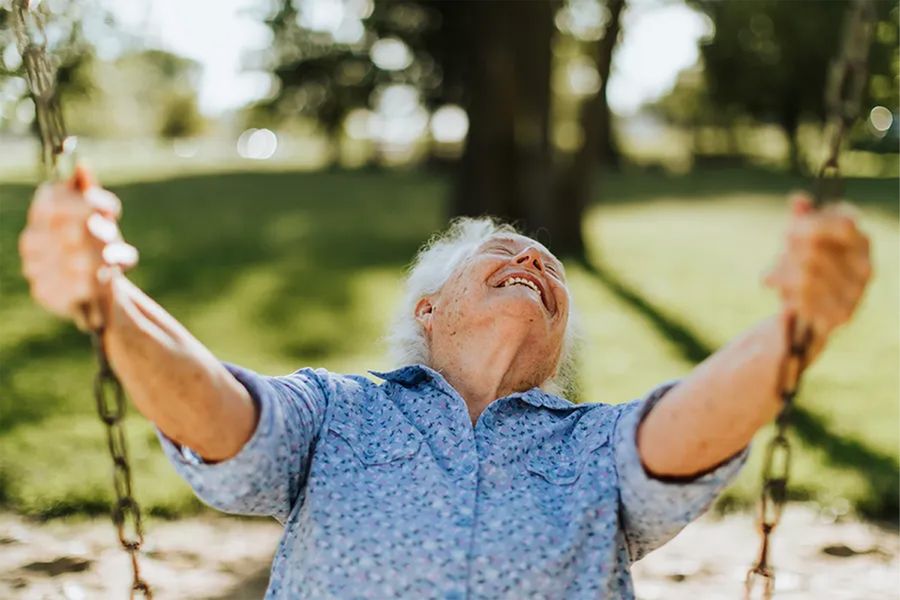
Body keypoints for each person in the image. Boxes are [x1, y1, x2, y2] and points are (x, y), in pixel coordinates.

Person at [19, 172, 872, 599]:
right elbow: (230, 424)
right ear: (430, 308)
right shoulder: (338, 413)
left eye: (551, 271)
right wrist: (110, 303)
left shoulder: (592, 445)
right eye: (502, 255)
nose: (534, 260)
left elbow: (688, 428)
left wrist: (797, 329)